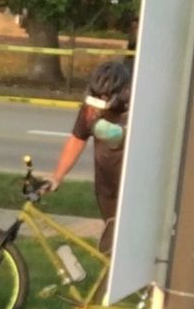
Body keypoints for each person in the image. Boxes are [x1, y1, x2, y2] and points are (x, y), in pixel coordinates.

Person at [46, 58, 131, 253]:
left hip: (133, 190)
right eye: (96, 96)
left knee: (129, 247)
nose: (99, 102)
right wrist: (57, 177)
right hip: (107, 190)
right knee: (113, 248)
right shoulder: (91, 110)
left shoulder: (135, 110)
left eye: (104, 97)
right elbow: (77, 139)